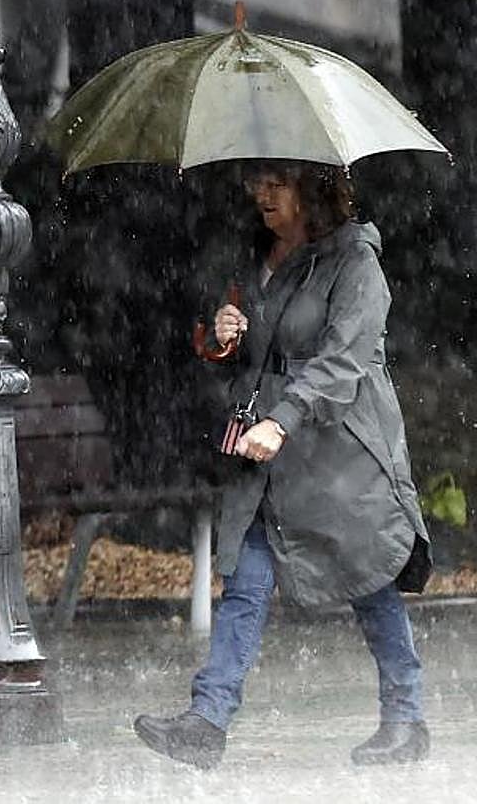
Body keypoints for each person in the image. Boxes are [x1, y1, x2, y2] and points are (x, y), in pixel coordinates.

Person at [133, 161, 432, 770]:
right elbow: (249, 350)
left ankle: (406, 718)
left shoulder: (356, 264)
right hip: (266, 453)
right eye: (256, 182)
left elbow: (342, 363)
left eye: (278, 182)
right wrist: (225, 334)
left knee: (368, 577)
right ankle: (207, 720)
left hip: (340, 453)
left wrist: (283, 418)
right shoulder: (258, 255)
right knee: (245, 578)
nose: (261, 195)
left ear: (314, 187)